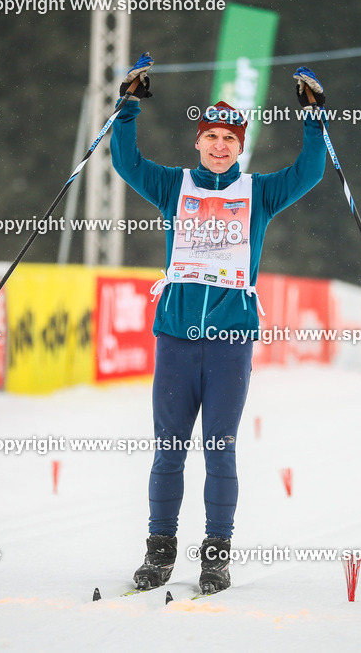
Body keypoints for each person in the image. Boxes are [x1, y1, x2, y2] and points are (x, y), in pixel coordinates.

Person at [110, 52, 326, 594]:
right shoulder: (173, 186)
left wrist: (312, 117)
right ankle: (159, 551)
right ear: (198, 141)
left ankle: (215, 554)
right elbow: (126, 162)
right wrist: (129, 105)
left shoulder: (259, 193)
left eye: (230, 138)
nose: (220, 145)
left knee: (220, 448)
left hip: (231, 342)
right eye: (211, 136)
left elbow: (310, 171)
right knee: (168, 450)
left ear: (240, 146)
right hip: (176, 338)